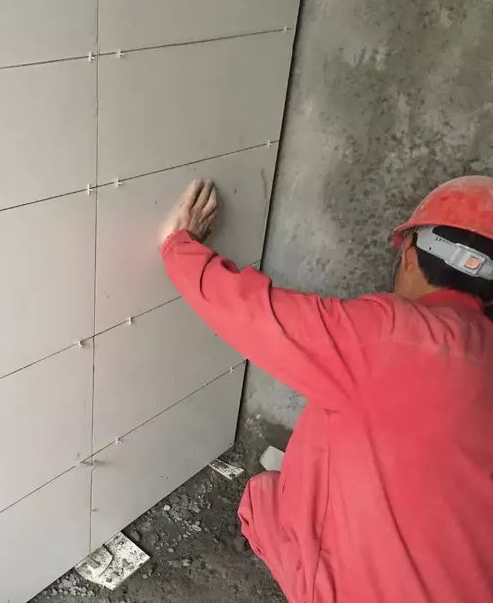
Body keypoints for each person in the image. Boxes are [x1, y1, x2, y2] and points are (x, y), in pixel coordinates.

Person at [159, 175, 493, 603]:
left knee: (262, 504)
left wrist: (179, 247)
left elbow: (256, 316)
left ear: (409, 255)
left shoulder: (395, 337)